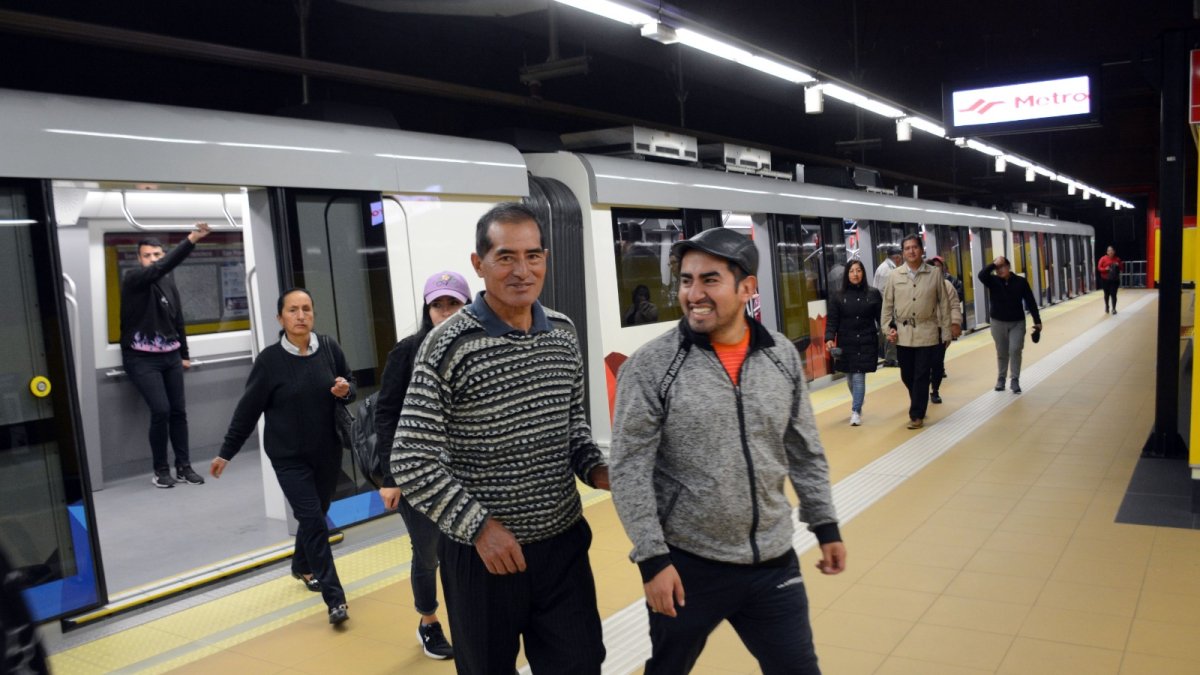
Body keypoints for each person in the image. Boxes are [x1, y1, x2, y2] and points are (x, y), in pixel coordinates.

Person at [610, 227, 846, 675]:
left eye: (709, 280)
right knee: (668, 669)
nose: (693, 293)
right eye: (685, 280)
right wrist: (652, 559)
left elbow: (804, 449)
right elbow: (629, 468)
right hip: (687, 565)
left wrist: (826, 523)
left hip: (772, 562)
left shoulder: (780, 355)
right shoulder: (652, 366)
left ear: (747, 288)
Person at [392, 203, 608, 675]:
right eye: (506, 257)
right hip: (482, 558)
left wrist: (599, 469)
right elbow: (412, 458)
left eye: (533, 256)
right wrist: (480, 528)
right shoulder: (448, 344)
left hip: (561, 547)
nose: (522, 270)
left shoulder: (564, 334)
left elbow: (573, 428)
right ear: (479, 263)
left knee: (581, 664)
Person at [211, 288, 355, 626]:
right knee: (316, 523)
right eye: (293, 310)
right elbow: (247, 410)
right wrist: (226, 452)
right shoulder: (270, 361)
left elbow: (350, 382)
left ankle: (301, 566)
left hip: (326, 451)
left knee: (316, 513)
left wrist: (344, 389)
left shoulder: (329, 348)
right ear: (281, 318)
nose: (301, 315)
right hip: (288, 457)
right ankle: (335, 599)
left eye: (306, 309)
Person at [374, 271, 470, 660]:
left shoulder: (477, 348)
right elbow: (387, 414)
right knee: (428, 550)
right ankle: (428, 621)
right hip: (416, 474)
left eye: (453, 304)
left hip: (462, 471)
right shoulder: (407, 351)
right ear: (427, 309)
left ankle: (467, 618)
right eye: (437, 305)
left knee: (462, 550)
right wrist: (390, 476)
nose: (444, 313)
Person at [120, 222, 211, 488]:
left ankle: (184, 467)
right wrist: (192, 239)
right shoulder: (133, 279)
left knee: (178, 412)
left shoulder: (168, 284)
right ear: (139, 259)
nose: (152, 260)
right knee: (161, 410)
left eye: (157, 255)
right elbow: (161, 268)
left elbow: (178, 320)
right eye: (147, 255)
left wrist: (184, 353)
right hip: (141, 358)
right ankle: (161, 470)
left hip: (170, 357)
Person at [881, 235, 951, 429]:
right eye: (907, 248)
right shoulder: (895, 276)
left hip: (927, 331)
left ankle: (916, 414)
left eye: (914, 247)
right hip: (903, 333)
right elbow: (887, 305)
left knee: (921, 374)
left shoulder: (934, 273)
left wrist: (946, 332)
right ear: (903, 252)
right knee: (907, 374)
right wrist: (887, 328)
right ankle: (919, 401)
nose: (911, 251)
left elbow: (944, 304)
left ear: (921, 250)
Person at [824, 259, 882, 426]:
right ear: (846, 275)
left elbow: (881, 318)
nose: (855, 274)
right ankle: (859, 398)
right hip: (846, 342)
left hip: (866, 341)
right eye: (851, 271)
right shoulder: (838, 297)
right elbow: (832, 321)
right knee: (850, 379)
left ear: (863, 273)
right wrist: (829, 338)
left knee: (858, 377)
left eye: (858, 270)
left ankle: (855, 411)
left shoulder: (873, 294)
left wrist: (889, 330)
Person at [977, 256, 1042, 394]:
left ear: (1009, 266)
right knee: (1002, 352)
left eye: (1002, 266)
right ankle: (1001, 379)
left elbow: (1030, 301)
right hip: (998, 323)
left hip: (1017, 322)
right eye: (997, 267)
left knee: (1015, 349)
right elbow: (981, 275)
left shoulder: (1021, 282)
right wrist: (993, 264)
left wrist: (1037, 321)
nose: (1000, 270)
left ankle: (1014, 380)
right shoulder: (993, 281)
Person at [927, 257, 964, 405]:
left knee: (937, 363)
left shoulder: (947, 285)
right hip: (922, 332)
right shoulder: (916, 286)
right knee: (923, 364)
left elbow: (954, 305)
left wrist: (955, 323)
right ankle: (922, 389)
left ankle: (935, 390)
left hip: (941, 331)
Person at [873, 246, 903, 367]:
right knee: (890, 330)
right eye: (900, 258)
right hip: (886, 306)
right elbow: (884, 290)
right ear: (896, 257)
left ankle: (890, 357)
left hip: (886, 306)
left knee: (889, 330)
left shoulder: (888, 267)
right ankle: (890, 358)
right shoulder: (887, 270)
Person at [1098, 246, 1122, 314]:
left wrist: (1118, 265)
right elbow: (1099, 268)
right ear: (1107, 252)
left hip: (1115, 280)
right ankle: (1107, 306)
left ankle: (1114, 308)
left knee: (1114, 294)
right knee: (1106, 294)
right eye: (1109, 250)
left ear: (1114, 252)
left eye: (1112, 250)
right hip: (1105, 280)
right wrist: (1105, 269)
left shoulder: (1117, 259)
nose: (1110, 252)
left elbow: (1121, 268)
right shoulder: (1103, 258)